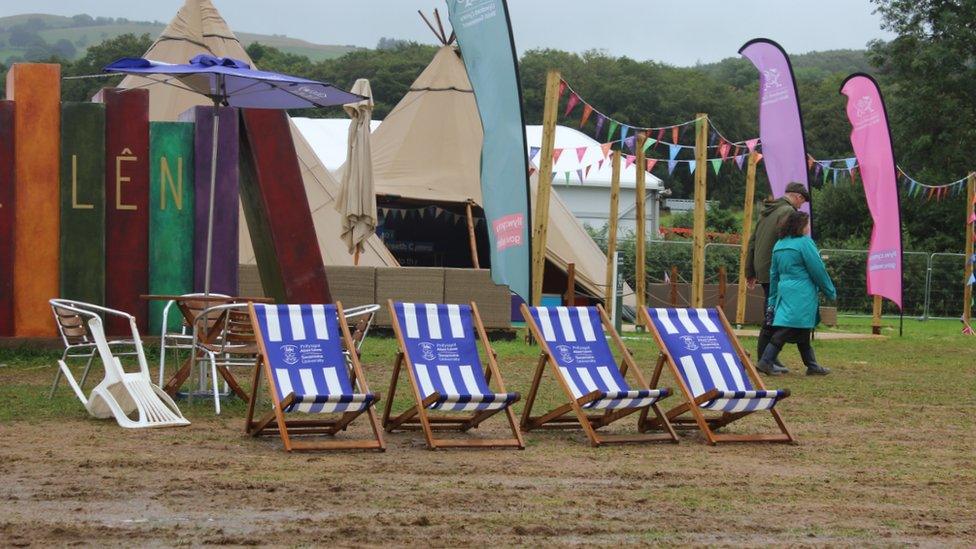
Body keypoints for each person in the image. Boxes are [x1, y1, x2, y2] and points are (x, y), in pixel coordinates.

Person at [757, 210, 836, 376]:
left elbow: (774, 274)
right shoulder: (804, 243)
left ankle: (812, 365)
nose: (809, 227)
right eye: (807, 223)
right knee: (788, 328)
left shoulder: (779, 245)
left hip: (784, 291)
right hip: (802, 293)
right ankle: (765, 361)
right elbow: (818, 270)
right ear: (800, 226)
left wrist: (772, 299)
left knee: (802, 329)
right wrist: (830, 291)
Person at [745, 181, 809, 373]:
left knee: (772, 313)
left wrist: (750, 271)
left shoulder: (768, 211)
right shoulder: (788, 212)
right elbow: (790, 242)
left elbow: (753, 240)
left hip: (763, 268)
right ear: (797, 197)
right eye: (802, 202)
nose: (800, 206)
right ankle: (766, 360)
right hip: (779, 271)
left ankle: (769, 358)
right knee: (774, 316)